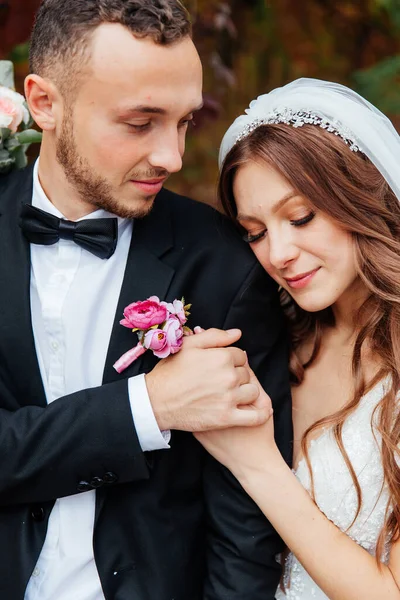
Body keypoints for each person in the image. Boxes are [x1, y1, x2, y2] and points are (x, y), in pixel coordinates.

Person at [0, 1, 293, 599]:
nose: (172, 157)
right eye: (141, 123)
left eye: (184, 122)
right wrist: (145, 409)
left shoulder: (224, 267)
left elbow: (247, 525)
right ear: (44, 102)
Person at [195, 78, 400, 599]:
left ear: (360, 197)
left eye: (300, 217)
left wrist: (257, 464)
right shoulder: (278, 345)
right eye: (256, 232)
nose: (278, 253)